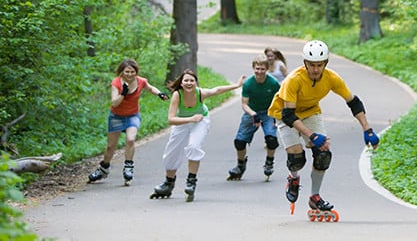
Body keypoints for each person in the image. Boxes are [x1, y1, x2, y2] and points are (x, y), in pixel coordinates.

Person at [268, 40, 380, 213]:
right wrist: (312, 135)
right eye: (311, 65)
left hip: (311, 112)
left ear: (325, 63)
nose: (315, 70)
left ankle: (315, 197)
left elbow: (354, 102)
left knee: (323, 155)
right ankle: (294, 178)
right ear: (305, 63)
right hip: (284, 114)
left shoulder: (332, 78)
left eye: (319, 65)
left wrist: (367, 129)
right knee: (297, 159)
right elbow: (289, 116)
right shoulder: (293, 80)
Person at [150, 69, 246, 202]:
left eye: (192, 80)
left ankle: (191, 181)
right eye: (186, 80)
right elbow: (171, 119)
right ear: (181, 83)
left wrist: (236, 86)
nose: (189, 83)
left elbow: (216, 90)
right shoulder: (177, 95)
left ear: (196, 83)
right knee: (171, 152)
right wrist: (190, 119)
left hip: (201, 120)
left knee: (194, 147)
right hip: (183, 121)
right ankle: (168, 183)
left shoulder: (200, 93)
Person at [88, 59, 169, 185]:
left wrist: (159, 94)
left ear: (136, 72)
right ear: (122, 72)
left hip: (133, 116)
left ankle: (128, 167)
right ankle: (103, 169)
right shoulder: (116, 83)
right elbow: (114, 103)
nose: (130, 74)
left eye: (132, 72)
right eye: (127, 72)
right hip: (116, 117)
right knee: (110, 147)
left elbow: (150, 88)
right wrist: (123, 94)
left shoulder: (141, 81)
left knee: (130, 140)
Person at [227, 55, 281, 181]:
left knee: (271, 139)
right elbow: (244, 104)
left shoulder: (273, 83)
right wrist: (253, 115)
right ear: (253, 68)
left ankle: (269, 162)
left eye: (262, 69)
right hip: (252, 112)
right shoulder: (248, 83)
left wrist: (276, 115)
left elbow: (279, 100)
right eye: (257, 69)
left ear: (267, 69)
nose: (259, 72)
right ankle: (240, 165)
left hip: (268, 113)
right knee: (239, 142)